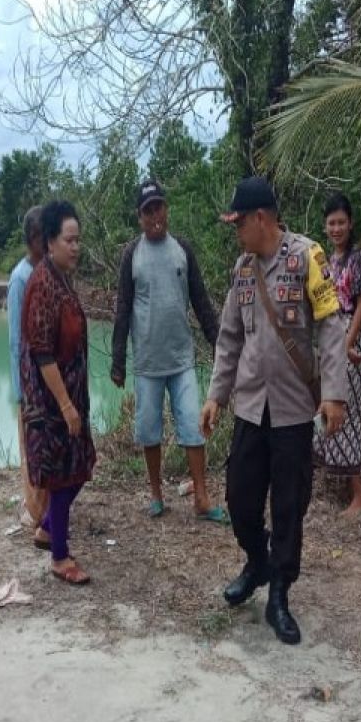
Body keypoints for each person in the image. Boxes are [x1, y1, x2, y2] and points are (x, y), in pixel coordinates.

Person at [200, 177, 348, 645]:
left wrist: (335, 394)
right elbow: (228, 339)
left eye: (239, 222)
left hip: (292, 411)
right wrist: (215, 395)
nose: (236, 231)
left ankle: (279, 592)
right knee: (241, 500)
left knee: (289, 506)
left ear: (260, 217)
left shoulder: (308, 258)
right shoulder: (243, 271)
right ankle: (258, 562)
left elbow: (329, 327)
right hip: (249, 407)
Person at [110, 180, 225, 522]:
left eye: (159, 207)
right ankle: (157, 495)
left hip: (181, 359)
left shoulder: (183, 250)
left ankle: (202, 499)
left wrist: (220, 345)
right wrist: (118, 361)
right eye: (148, 210)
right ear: (139, 216)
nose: (155, 215)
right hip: (147, 362)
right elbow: (123, 308)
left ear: (167, 208)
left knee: (193, 426)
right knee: (149, 430)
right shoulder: (132, 254)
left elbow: (201, 302)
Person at [21, 200, 97, 585]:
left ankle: (49, 526)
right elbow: (41, 351)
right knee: (64, 476)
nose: (76, 246)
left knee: (81, 464)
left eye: (78, 239)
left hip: (70, 394)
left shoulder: (62, 277)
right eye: (69, 240)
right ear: (50, 242)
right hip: (51, 402)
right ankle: (60, 556)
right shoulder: (42, 284)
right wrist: (65, 405)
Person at [312, 194, 361, 515]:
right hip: (331, 338)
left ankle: (359, 494)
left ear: (350, 224)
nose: (336, 228)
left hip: (350, 338)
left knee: (346, 413)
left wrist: (348, 343)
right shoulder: (325, 261)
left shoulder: (357, 260)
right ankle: (332, 481)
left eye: (341, 222)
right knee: (326, 407)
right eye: (331, 223)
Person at [8, 206, 50, 529]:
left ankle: (45, 510)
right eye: (45, 236)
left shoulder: (46, 271)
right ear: (34, 239)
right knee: (31, 449)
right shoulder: (21, 278)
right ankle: (34, 512)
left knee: (47, 447)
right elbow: (15, 339)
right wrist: (21, 389)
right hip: (29, 382)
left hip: (48, 379)